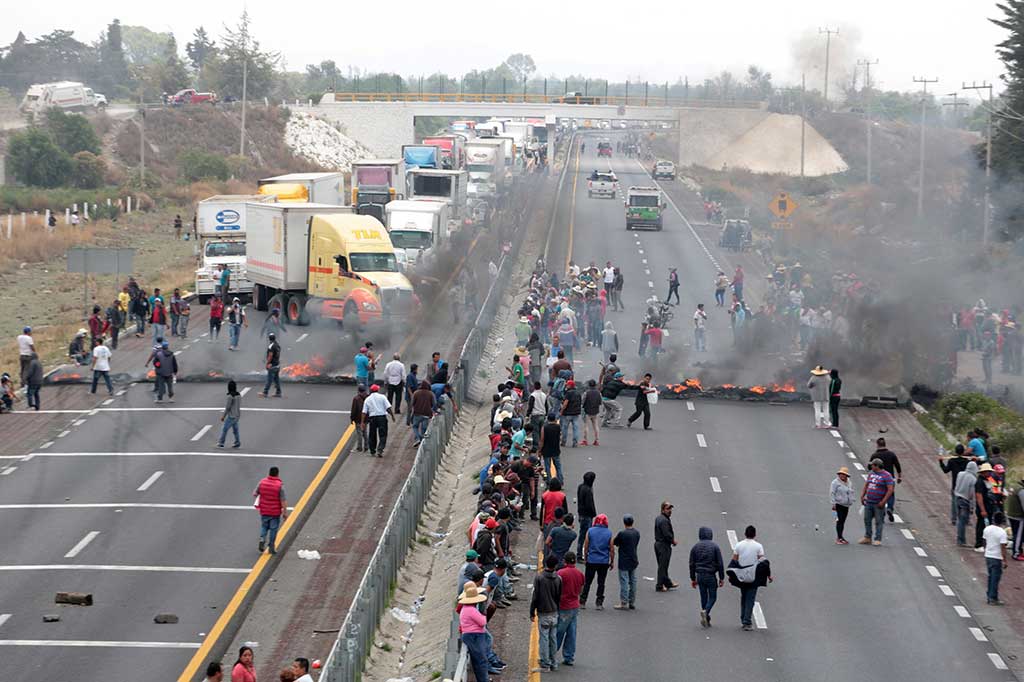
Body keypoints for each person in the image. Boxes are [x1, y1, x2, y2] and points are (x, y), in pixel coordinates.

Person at [730, 525, 770, 631]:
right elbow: (762, 562)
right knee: (750, 599)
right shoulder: (758, 546)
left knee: (744, 596)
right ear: (755, 535)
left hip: (742, 575)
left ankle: (743, 617)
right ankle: (747, 621)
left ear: (745, 534)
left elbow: (734, 560)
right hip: (753, 576)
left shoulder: (739, 545)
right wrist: (768, 575)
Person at [530, 555, 563, 673]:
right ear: (555, 566)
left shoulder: (539, 578)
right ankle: (554, 662)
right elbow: (559, 596)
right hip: (554, 612)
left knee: (544, 638)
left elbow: (535, 597)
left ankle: (545, 664)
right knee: (553, 638)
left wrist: (532, 612)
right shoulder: (558, 578)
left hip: (544, 612)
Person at [689, 527, 725, 628]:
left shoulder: (695, 547)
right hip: (711, 575)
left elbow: (691, 564)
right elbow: (720, 564)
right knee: (713, 597)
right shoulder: (715, 547)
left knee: (703, 597)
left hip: (699, 575)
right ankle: (706, 612)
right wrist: (721, 577)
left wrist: (693, 578)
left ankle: (706, 618)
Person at [556, 551, 585, 668]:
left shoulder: (561, 573)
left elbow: (556, 589)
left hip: (563, 606)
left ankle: (551, 654)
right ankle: (569, 656)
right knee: (571, 633)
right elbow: (581, 590)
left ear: (564, 561)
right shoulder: (580, 574)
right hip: (574, 606)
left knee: (558, 632)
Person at [459, 582, 492, 682]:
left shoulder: (465, 609)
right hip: (475, 636)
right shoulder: (471, 610)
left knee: (478, 660)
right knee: (481, 660)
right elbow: (483, 622)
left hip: (470, 635)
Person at [580, 514, 614, 609]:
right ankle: (599, 602)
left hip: (592, 560)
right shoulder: (609, 533)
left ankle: (583, 600)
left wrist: (586, 558)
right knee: (601, 582)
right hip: (603, 561)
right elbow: (611, 549)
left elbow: (586, 546)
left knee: (587, 582)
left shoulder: (590, 531)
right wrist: (612, 561)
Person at [859, 458, 894, 545]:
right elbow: (866, 485)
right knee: (867, 519)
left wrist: (883, 501)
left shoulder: (887, 475)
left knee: (879, 521)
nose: (871, 466)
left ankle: (878, 539)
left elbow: (890, 490)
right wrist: (862, 496)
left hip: (878, 502)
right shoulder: (871, 473)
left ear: (877, 466)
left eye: (872, 465)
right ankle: (867, 537)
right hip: (869, 501)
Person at [254, 466, 287, 554]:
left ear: (269, 473)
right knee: (273, 529)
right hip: (275, 512)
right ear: (277, 474)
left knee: (264, 526)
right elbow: (283, 500)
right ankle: (271, 546)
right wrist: (285, 512)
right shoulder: (280, 485)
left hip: (264, 510)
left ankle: (262, 539)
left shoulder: (262, 482)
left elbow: (255, 493)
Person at [613, 514, 640, 610]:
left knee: (624, 581)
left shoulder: (622, 533)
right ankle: (632, 601)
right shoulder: (636, 533)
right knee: (633, 581)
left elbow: (615, 542)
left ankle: (624, 602)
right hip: (633, 559)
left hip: (624, 560)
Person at [872, 438, 903, 522]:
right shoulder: (891, 454)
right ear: (885, 444)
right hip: (890, 479)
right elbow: (897, 465)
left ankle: (882, 512)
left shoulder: (875, 455)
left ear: (877, 445)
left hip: (879, 479)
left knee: (880, 495)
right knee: (891, 495)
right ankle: (889, 508)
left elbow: (870, 467)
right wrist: (899, 476)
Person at [362, 384, 395, 457]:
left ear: (371, 391)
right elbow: (388, 408)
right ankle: (380, 449)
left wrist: (362, 422)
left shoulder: (367, 399)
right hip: (382, 418)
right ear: (377, 390)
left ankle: (372, 451)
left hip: (372, 419)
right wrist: (392, 416)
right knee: (383, 434)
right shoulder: (382, 397)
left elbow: (364, 412)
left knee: (372, 435)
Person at [983, 511, 1009, 605]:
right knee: (995, 578)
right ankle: (993, 597)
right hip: (996, 557)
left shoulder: (987, 529)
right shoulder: (1002, 533)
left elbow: (984, 541)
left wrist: (986, 550)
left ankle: (989, 595)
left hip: (988, 556)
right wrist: (1005, 560)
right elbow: (1003, 548)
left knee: (990, 577)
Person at [654, 501, 678, 592]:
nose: (670, 511)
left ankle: (667, 582)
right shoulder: (664, 520)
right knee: (662, 566)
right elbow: (666, 534)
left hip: (658, 544)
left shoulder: (659, 518)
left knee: (663, 565)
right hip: (663, 545)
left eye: (670, 509)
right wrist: (673, 541)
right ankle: (659, 586)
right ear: (663, 510)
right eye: (668, 509)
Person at [954, 460, 979, 546]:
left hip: (957, 497)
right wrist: (972, 507)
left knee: (959, 520)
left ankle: (960, 539)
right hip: (965, 501)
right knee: (962, 521)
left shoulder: (960, 474)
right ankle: (961, 540)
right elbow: (971, 494)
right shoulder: (973, 479)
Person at [830, 467, 855, 544]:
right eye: (841, 474)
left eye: (844, 474)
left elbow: (850, 491)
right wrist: (833, 503)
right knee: (839, 520)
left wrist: (851, 499)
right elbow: (832, 493)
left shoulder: (849, 482)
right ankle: (839, 538)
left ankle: (841, 537)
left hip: (846, 505)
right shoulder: (835, 482)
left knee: (843, 521)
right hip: (838, 504)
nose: (842, 476)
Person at [538, 412, 563, 482]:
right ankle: (560, 481)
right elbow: (560, 437)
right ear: (554, 419)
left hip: (546, 450)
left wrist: (539, 450)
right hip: (556, 450)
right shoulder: (558, 427)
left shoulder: (544, 428)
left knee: (547, 467)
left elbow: (542, 440)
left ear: (548, 419)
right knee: (558, 467)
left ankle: (549, 482)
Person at [218, 380, 242, 449]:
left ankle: (221, 442)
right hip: (237, 415)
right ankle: (237, 442)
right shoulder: (238, 394)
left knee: (225, 429)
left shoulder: (230, 396)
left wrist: (223, 416)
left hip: (231, 416)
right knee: (235, 430)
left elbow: (227, 407)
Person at [411, 380, 435, 446]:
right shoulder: (431, 394)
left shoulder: (416, 393)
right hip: (427, 414)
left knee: (415, 426)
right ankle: (422, 443)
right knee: (424, 429)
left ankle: (418, 438)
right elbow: (434, 404)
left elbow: (412, 403)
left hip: (417, 413)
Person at [259, 332, 283, 398]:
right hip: (277, 365)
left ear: (269, 339)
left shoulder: (271, 346)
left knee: (269, 379)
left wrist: (268, 363)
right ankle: (278, 392)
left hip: (273, 365)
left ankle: (265, 392)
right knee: (276, 379)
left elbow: (270, 355)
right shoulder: (277, 345)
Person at [579, 379, 602, 446]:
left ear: (589, 385)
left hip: (587, 411)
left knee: (586, 425)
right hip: (595, 411)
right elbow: (600, 402)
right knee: (595, 425)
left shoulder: (586, 393)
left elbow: (582, 402)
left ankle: (585, 440)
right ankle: (596, 440)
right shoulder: (598, 393)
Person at [351, 384, 368, 452]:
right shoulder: (368, 397)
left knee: (359, 433)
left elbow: (354, 410)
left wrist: (352, 418)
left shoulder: (356, 398)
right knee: (365, 432)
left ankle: (359, 447)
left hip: (358, 419)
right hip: (366, 418)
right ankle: (366, 446)